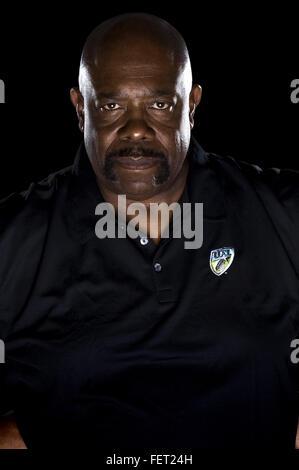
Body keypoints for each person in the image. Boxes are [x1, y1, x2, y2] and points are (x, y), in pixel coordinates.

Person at [0, 12, 299, 450]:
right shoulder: (13, 238)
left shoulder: (285, 213)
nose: (136, 129)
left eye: (160, 105)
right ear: (80, 109)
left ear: (192, 106)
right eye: (111, 105)